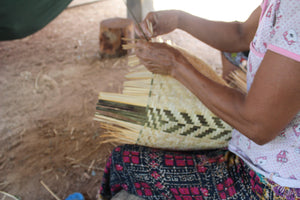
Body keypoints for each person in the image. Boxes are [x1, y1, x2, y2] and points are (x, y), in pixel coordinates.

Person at [99, 0, 300, 199]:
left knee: (123, 162)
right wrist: (179, 19)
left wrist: (175, 65)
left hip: (273, 184)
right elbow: (241, 33)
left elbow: (258, 125)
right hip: (252, 151)